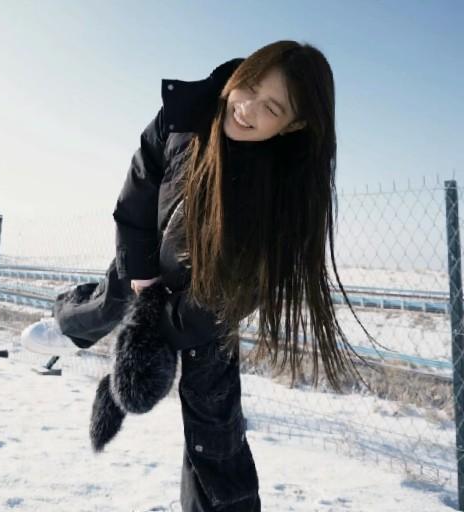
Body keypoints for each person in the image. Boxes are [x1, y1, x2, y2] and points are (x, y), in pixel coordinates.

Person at [21, 40, 383, 511]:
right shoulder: (185, 115)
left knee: (214, 430)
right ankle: (72, 327)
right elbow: (139, 186)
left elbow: (226, 300)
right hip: (151, 261)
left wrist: (154, 333)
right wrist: (142, 277)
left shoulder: (282, 194)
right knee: (122, 286)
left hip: (208, 309)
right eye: (249, 87)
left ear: (293, 126)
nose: (246, 108)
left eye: (271, 108)